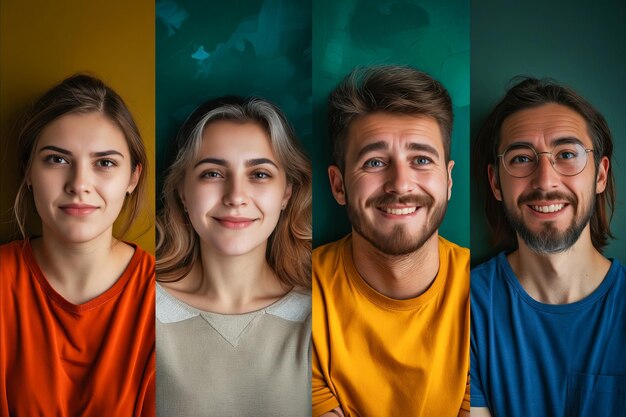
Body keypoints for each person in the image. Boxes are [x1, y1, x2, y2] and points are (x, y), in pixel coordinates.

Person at [312, 65, 470, 417]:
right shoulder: (298, 292)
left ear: (448, 180)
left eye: (421, 160)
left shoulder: (487, 296)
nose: (400, 184)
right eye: (375, 162)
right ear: (339, 186)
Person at [0, 74, 155, 416]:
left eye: (105, 163)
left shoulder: (170, 299)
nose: (79, 184)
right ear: (28, 171)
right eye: (57, 159)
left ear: (133, 177)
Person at [470, 78, 626, 416]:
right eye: (522, 158)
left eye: (567, 154)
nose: (545, 180)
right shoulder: (463, 308)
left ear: (600, 175)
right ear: (496, 182)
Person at [155, 96, 312, 416]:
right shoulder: (138, 309)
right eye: (212, 173)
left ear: (287, 193)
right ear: (182, 192)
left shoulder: (320, 316)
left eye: (260, 174)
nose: (236, 196)